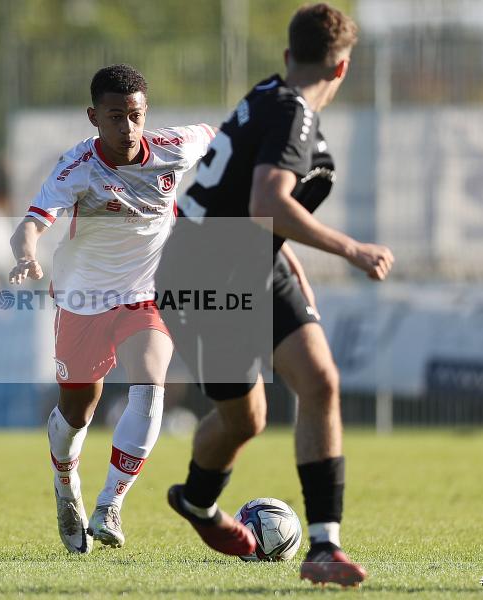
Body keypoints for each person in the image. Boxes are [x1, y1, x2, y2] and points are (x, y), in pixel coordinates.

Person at [156, 4, 393, 587]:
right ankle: (198, 502)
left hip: (252, 262)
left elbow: (246, 208)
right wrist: (352, 250)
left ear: (289, 58)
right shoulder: (294, 116)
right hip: (202, 276)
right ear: (342, 70)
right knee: (245, 419)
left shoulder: (270, 95)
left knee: (320, 380)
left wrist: (287, 264)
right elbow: (266, 204)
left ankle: (324, 547)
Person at [9, 64, 214, 553]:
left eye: (136, 115)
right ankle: (65, 485)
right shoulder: (77, 166)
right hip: (82, 300)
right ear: (93, 117)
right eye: (116, 116)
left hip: (144, 296)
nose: (127, 128)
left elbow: (220, 136)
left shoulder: (174, 148)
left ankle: (110, 504)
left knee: (150, 387)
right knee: (78, 412)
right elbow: (32, 222)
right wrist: (26, 255)